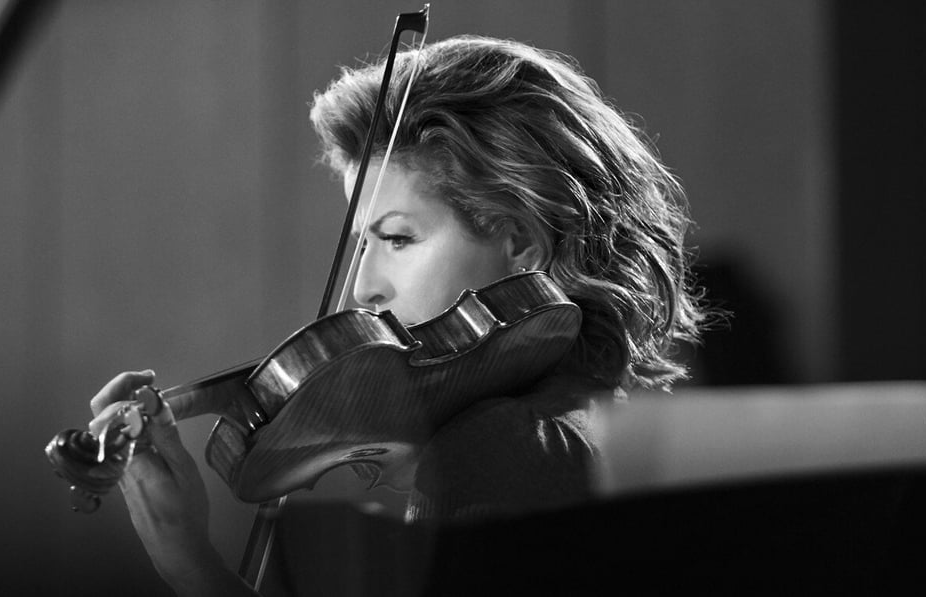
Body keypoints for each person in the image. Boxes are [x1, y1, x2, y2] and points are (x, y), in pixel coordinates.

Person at [88, 35, 705, 595]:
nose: (362, 289)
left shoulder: (498, 449)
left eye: (399, 239)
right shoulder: (586, 424)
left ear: (520, 243)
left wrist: (189, 565)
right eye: (363, 243)